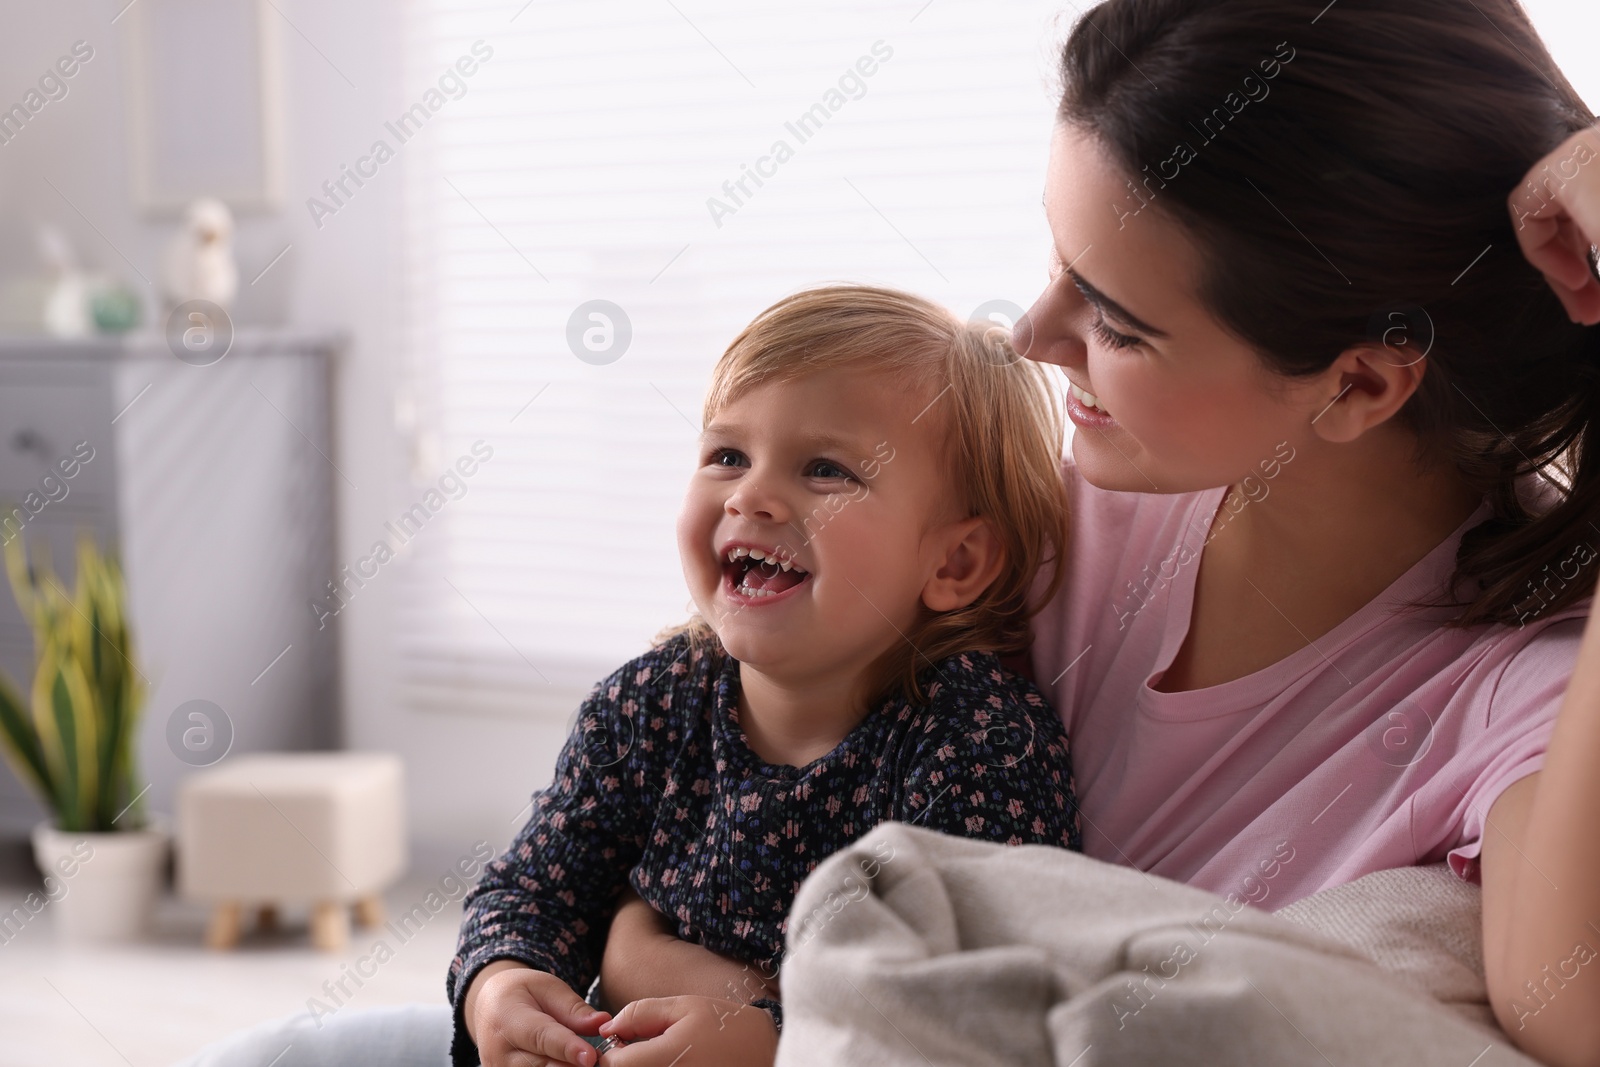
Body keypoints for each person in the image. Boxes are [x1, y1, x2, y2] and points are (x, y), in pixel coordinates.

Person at [171, 1, 1600, 1064]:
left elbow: (1569, 1003)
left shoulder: (1512, 689)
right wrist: (615, 944)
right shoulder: (1076, 497)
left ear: (1359, 380)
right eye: (1058, 265)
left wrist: (753, 1011)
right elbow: (704, 756)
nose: (1035, 335)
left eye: (1114, 318)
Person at [451, 284, 1080, 1067]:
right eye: (727, 455)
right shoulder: (648, 705)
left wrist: (772, 1038)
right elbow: (531, 890)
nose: (751, 495)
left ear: (953, 561)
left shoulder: (980, 744)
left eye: (824, 469)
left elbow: (984, 1015)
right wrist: (502, 983)